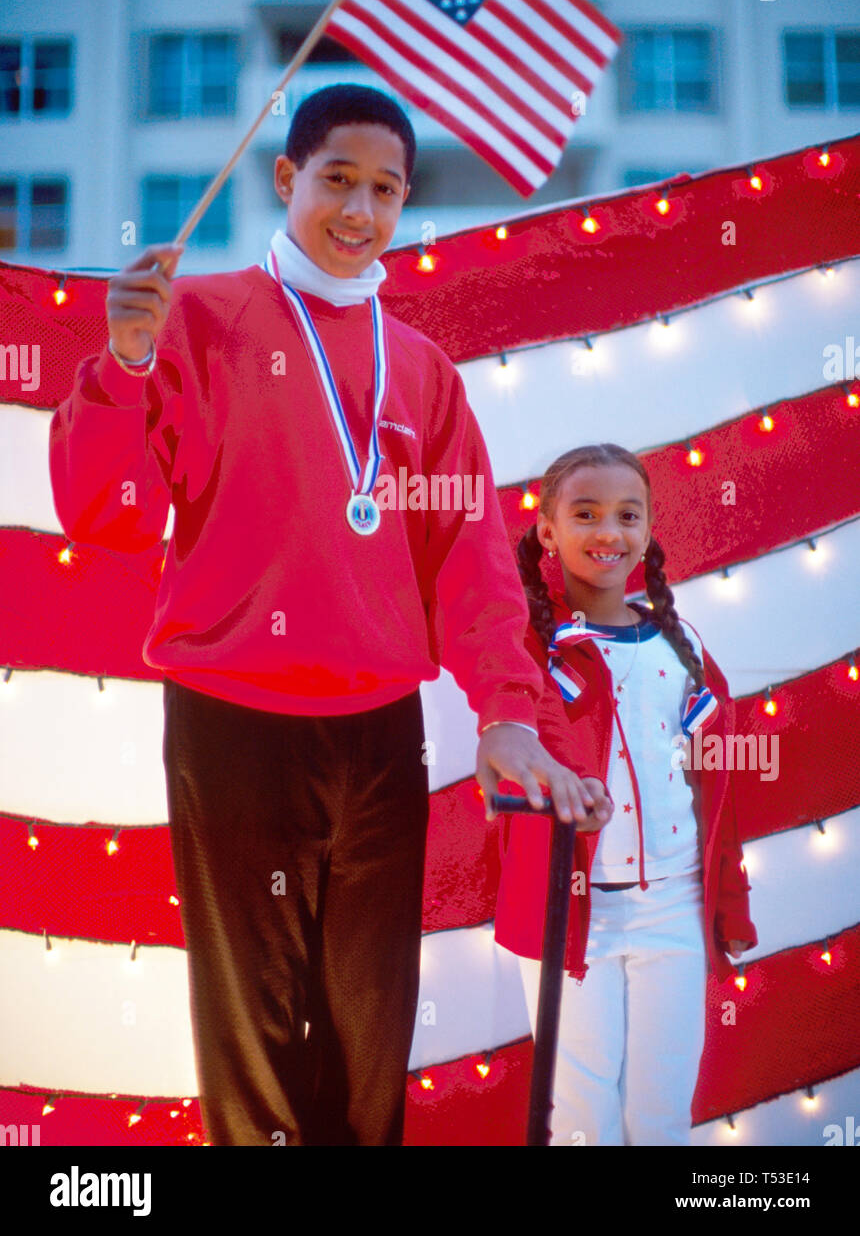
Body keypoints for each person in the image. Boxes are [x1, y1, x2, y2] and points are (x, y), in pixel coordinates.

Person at [48, 84, 597, 1147]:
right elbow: (107, 519)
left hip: (379, 732)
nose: (359, 210)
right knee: (251, 1025)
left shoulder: (423, 369)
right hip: (232, 722)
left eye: (385, 189)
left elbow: (471, 562)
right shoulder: (195, 318)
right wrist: (120, 368)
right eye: (337, 180)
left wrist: (506, 711)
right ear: (285, 178)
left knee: (368, 1023)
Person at [493, 442, 758, 1146]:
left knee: (663, 1115)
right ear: (548, 530)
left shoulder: (683, 643)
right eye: (585, 514)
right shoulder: (525, 647)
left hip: (675, 904)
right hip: (573, 911)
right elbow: (517, 742)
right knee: (582, 1124)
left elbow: (718, 788)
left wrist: (726, 897)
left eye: (626, 514)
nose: (608, 532)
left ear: (647, 528)